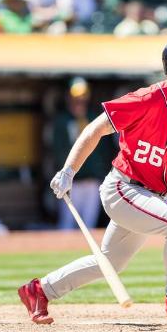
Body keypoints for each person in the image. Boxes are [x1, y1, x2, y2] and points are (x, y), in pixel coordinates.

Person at [17, 36, 167, 327]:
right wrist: (68, 171)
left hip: (152, 196)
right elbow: (95, 129)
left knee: (111, 263)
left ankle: (39, 290)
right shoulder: (147, 98)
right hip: (122, 188)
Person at [52, 77, 105, 230]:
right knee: (67, 225)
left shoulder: (93, 117)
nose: (79, 101)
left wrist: (99, 171)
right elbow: (58, 150)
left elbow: (103, 149)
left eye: (83, 98)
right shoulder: (62, 120)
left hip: (92, 180)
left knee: (89, 225)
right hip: (71, 181)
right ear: (69, 97)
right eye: (76, 98)